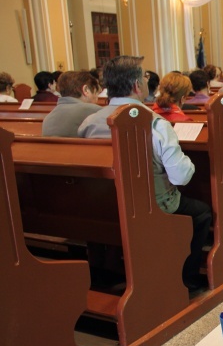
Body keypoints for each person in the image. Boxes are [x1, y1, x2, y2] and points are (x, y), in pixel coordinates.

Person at [78, 55, 212, 293]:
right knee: (201, 213)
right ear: (136, 85)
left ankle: (108, 271)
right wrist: (190, 162)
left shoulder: (89, 122)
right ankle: (187, 280)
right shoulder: (155, 124)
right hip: (150, 205)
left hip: (103, 203)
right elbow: (181, 177)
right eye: (144, 77)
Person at [42, 70, 102, 137]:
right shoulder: (95, 111)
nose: (97, 98)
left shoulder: (48, 118)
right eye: (96, 92)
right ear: (86, 90)